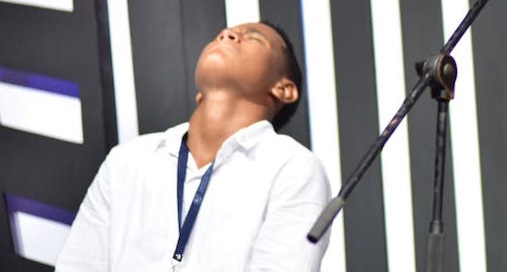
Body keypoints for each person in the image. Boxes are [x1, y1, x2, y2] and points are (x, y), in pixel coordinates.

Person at [56, 21, 331, 272]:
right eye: (221, 34)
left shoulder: (292, 168)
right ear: (201, 93)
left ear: (283, 89)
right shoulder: (127, 160)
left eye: (254, 39)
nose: (228, 34)